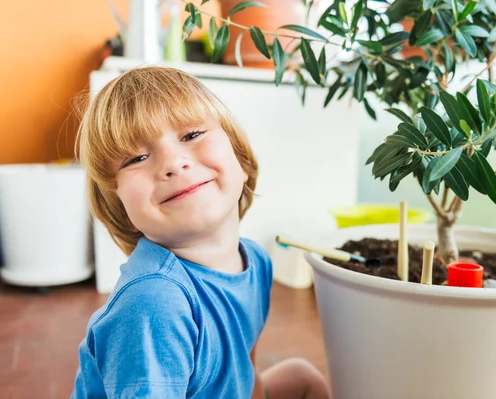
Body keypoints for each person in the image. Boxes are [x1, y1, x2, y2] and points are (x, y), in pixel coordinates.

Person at [71, 66, 330, 399]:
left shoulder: (257, 262)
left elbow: (245, 366)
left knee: (302, 378)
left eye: (191, 135)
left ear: (241, 162)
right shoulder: (154, 304)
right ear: (123, 210)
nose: (173, 163)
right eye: (136, 157)